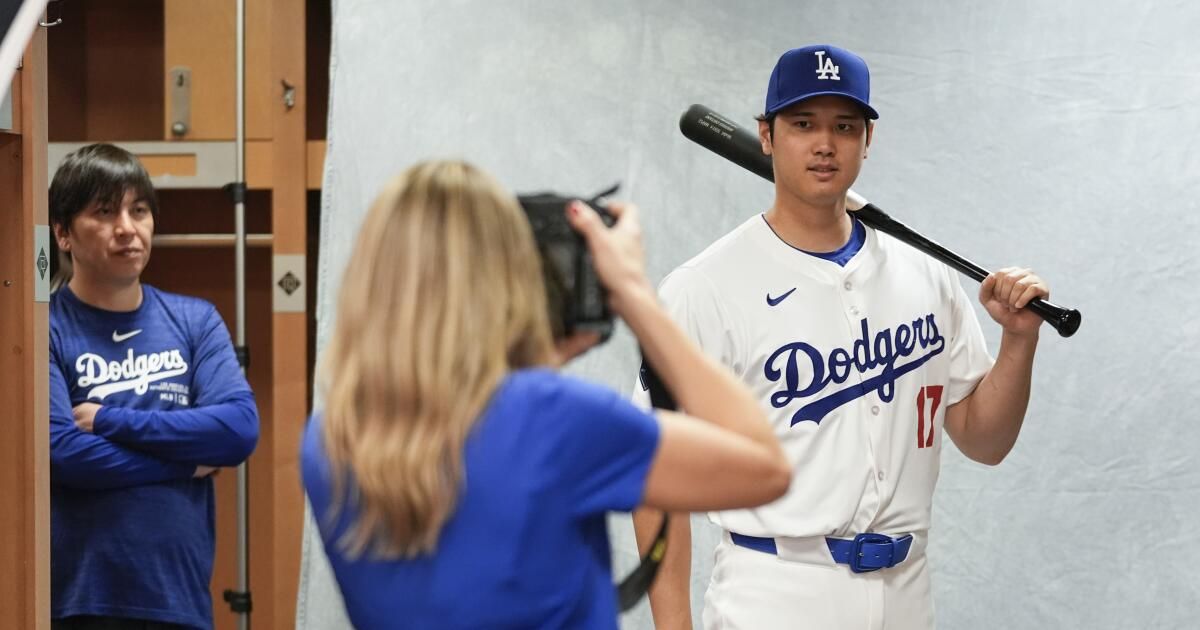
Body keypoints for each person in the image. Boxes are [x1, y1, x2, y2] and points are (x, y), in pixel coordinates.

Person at [632, 44, 1053, 630]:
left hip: (907, 591)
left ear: (867, 138)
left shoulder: (923, 272)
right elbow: (656, 475)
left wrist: (1017, 343)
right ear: (766, 135)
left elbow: (985, 443)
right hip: (777, 591)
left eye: (844, 126)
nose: (824, 143)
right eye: (803, 124)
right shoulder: (704, 289)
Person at [300, 160, 792, 629]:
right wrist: (634, 295)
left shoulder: (329, 438)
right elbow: (766, 466)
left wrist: (538, 352)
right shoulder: (556, 419)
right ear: (500, 278)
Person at [48, 144, 260, 630]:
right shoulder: (44, 328)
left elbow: (238, 429)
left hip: (178, 599)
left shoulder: (195, 320)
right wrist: (188, 462)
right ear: (62, 232)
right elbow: (63, 453)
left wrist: (107, 419)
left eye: (138, 210)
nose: (128, 228)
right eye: (105, 212)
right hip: (80, 601)